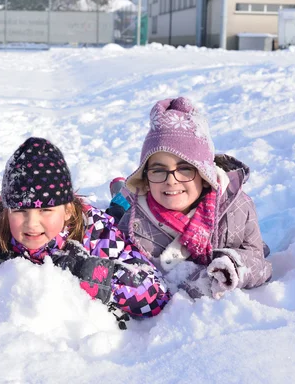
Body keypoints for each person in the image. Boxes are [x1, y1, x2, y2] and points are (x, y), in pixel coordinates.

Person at [0, 137, 170, 326]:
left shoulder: (94, 231)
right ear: (7, 211)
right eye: (20, 211)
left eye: (46, 211)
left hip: (97, 220)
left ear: (68, 210)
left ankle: (122, 194)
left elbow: (154, 292)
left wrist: (95, 275)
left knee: (117, 212)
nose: (32, 223)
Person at [116, 97, 272, 299]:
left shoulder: (238, 208)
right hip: (129, 204)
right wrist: (195, 282)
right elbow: (134, 273)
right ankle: (118, 189)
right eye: (158, 170)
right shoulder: (134, 224)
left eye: (184, 169)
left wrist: (233, 264)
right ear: (145, 178)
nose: (172, 181)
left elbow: (259, 261)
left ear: (205, 176)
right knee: (116, 207)